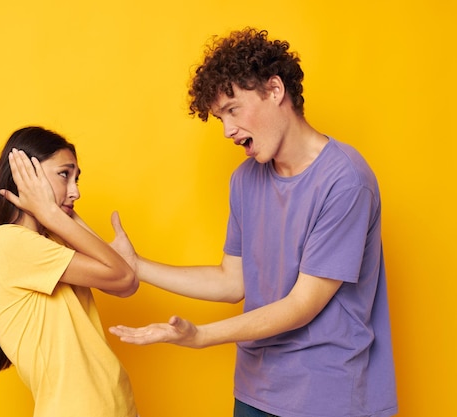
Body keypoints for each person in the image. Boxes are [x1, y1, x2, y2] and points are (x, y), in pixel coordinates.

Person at [108, 28, 397, 417]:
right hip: (255, 392)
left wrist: (201, 336)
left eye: (233, 110)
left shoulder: (346, 180)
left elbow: (302, 304)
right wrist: (136, 266)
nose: (227, 131)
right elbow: (233, 281)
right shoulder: (245, 179)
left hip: (327, 397)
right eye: (219, 118)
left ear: (275, 90)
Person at [0, 126, 139, 417]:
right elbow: (124, 276)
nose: (76, 191)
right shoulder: (8, 243)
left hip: (115, 405)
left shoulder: (50, 241)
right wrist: (51, 212)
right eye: (64, 174)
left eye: (77, 178)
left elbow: (124, 286)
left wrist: (55, 215)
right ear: (26, 175)